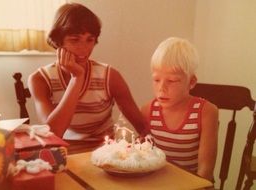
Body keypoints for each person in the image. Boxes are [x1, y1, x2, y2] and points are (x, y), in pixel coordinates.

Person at [28, 3, 145, 153]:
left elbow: (142, 127)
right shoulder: (40, 79)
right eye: (74, 40)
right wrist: (77, 78)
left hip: (105, 152)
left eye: (89, 40)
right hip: (64, 153)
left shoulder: (110, 76)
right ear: (58, 41)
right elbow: (53, 133)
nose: (84, 49)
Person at [141, 37, 218, 181]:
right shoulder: (147, 111)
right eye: (156, 80)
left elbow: (205, 169)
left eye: (172, 81)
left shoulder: (205, 112)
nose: (161, 88)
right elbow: (140, 158)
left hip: (192, 185)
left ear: (191, 82)